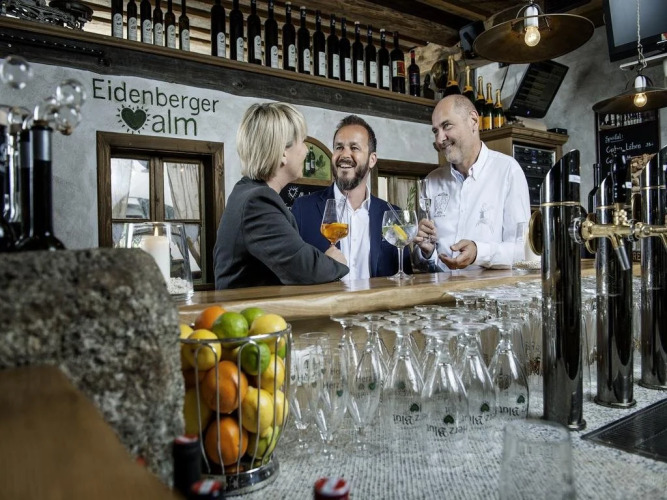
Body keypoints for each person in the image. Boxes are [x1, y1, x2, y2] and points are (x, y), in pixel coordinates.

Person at [213, 102, 348, 289]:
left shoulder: (246, 192)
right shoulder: (257, 202)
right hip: (250, 309)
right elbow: (305, 268)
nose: (306, 150)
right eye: (302, 141)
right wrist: (334, 262)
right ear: (283, 153)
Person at [413, 94, 530, 271]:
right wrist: (426, 252)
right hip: (441, 287)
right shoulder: (431, 182)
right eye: (435, 131)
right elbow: (421, 261)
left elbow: (522, 251)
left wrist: (478, 253)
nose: (439, 139)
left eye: (446, 126)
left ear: (473, 121)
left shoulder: (508, 171)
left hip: (491, 289)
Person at [291, 115, 411, 280]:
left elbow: (405, 277)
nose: (344, 155)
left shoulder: (393, 215)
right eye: (339, 147)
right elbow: (290, 272)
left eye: (354, 148)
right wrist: (320, 267)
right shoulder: (303, 209)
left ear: (372, 160)